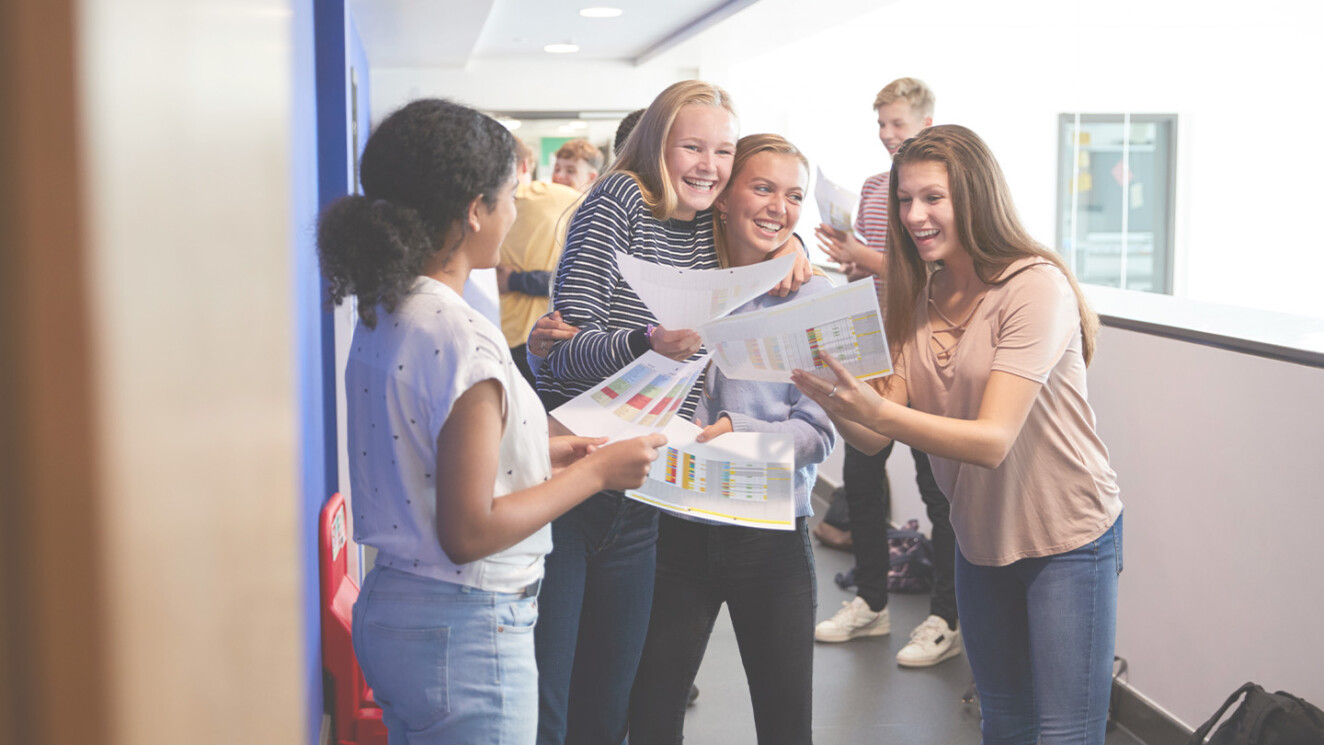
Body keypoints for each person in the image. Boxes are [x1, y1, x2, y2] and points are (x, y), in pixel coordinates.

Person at [316, 98, 664, 744]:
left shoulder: (387, 310)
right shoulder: (463, 337)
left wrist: (548, 450)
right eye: (509, 197)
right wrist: (596, 471)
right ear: (474, 209)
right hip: (466, 630)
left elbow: (433, 452)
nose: (515, 213)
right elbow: (469, 529)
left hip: (396, 613)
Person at [792, 124, 1123, 745]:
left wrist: (878, 412)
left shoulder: (1033, 286)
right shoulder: (916, 293)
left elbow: (991, 439)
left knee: (1064, 735)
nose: (914, 215)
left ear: (974, 197)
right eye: (904, 200)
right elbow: (871, 438)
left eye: (932, 198)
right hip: (979, 537)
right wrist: (828, 397)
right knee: (1005, 724)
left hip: (1067, 536)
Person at [533, 80, 812, 745]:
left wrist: (796, 251)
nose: (708, 165)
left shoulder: (707, 226)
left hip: (643, 496)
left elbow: (764, 228)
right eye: (693, 146)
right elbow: (559, 358)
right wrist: (645, 341)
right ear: (659, 141)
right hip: (576, 478)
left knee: (609, 705)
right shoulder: (620, 197)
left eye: (721, 151)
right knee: (558, 699)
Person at [628, 134, 835, 745]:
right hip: (674, 531)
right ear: (722, 197)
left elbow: (817, 434)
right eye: (763, 188)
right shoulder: (678, 282)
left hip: (771, 537)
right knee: (653, 713)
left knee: (785, 721)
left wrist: (735, 433)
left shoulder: (812, 297)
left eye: (794, 195)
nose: (778, 207)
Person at [811, 76, 961, 670]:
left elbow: (932, 272)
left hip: (922, 350)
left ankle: (946, 617)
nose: (887, 134)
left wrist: (862, 256)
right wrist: (851, 262)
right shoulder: (875, 188)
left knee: (936, 489)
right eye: (882, 124)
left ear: (925, 123)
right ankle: (872, 602)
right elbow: (880, 273)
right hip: (872, 351)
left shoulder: (948, 188)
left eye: (898, 123)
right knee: (862, 479)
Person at [495, 136, 582, 387]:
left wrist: (513, 279)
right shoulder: (561, 198)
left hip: (505, 331)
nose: (562, 175)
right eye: (559, 169)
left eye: (570, 170)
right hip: (537, 336)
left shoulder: (480, 204)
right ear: (526, 166)